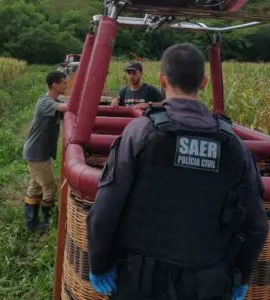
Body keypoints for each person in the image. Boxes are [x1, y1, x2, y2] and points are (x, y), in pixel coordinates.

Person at [87, 43, 268, 300]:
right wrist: (241, 276)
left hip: (141, 281)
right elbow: (256, 224)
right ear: (204, 82)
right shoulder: (234, 145)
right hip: (210, 282)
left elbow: (105, 211)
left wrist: (99, 265)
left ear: (162, 80)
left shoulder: (140, 133)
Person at [23, 71, 68, 231]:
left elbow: (64, 108)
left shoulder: (53, 100)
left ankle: (31, 222)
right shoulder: (45, 102)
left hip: (37, 152)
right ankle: (47, 220)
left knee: (35, 185)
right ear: (54, 84)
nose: (65, 84)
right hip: (37, 153)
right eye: (63, 82)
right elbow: (66, 106)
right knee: (49, 187)